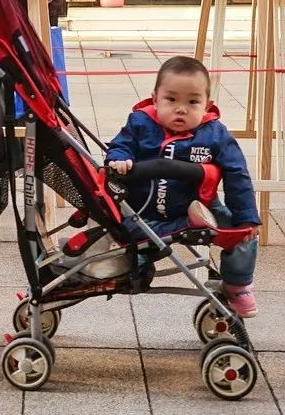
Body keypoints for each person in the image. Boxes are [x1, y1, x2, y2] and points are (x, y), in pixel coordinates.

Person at [105, 55, 260, 318]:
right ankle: (136, 263)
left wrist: (247, 217)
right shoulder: (140, 123)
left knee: (243, 233)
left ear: (207, 105)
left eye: (192, 102)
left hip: (199, 206)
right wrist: (118, 159)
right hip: (145, 212)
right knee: (133, 250)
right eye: (171, 99)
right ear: (155, 99)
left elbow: (237, 174)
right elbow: (121, 144)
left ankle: (237, 284)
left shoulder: (214, 134)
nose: (181, 109)